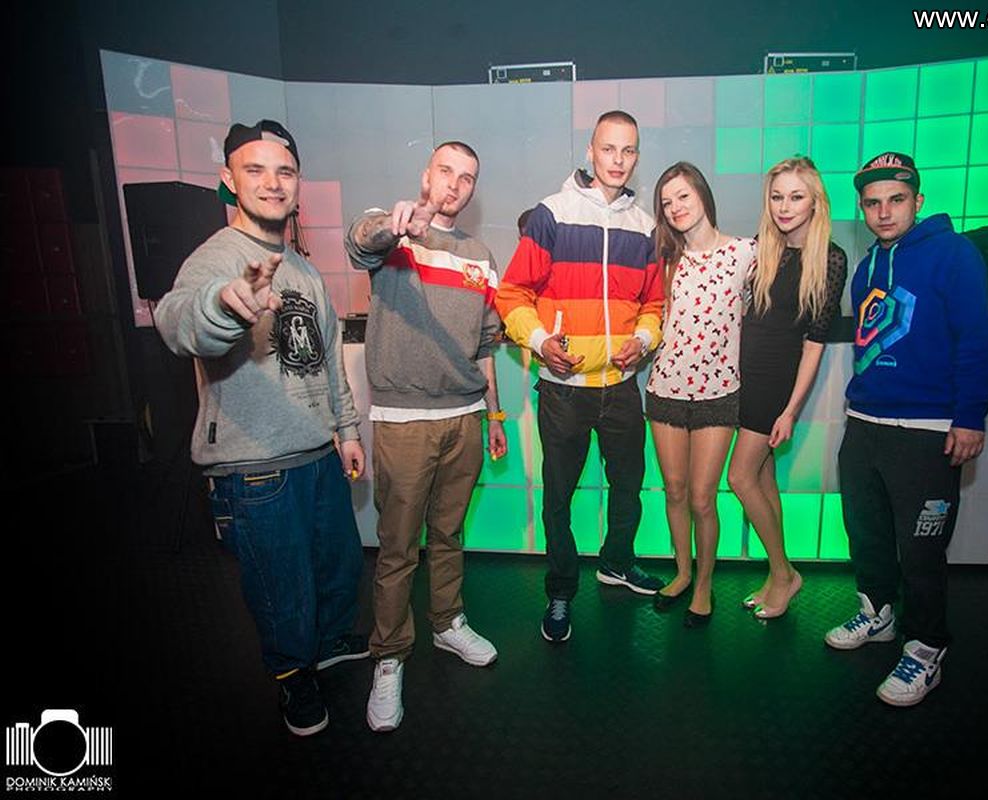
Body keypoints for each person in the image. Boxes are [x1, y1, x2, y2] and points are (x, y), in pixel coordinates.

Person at [154, 119, 367, 737]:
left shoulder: (301, 268)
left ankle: (328, 644)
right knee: (281, 589)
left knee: (337, 567)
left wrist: (346, 430)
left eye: (285, 171)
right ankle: (293, 678)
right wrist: (225, 305)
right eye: (256, 170)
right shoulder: (216, 259)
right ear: (229, 179)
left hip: (316, 451)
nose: (273, 183)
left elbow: (326, 360)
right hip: (255, 467)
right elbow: (178, 321)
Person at [825, 152, 988, 707]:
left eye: (896, 200)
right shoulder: (867, 267)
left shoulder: (955, 255)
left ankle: (926, 647)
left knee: (922, 551)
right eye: (872, 203)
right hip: (865, 424)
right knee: (867, 532)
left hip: (928, 430)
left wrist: (970, 416)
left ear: (917, 201)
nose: (884, 212)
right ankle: (877, 614)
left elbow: (977, 341)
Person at [345, 141, 506, 733]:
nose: (455, 184)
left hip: (465, 417)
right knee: (397, 549)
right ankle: (388, 656)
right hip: (404, 422)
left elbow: (486, 344)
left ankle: (447, 622)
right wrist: (393, 225)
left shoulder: (480, 255)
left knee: (448, 534)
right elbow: (361, 240)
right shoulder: (394, 234)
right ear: (426, 175)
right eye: (446, 172)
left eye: (467, 177)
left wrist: (494, 415)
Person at [495, 110, 665, 643]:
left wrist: (644, 340)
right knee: (559, 498)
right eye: (608, 149)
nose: (618, 160)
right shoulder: (553, 213)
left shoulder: (646, 227)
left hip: (621, 389)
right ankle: (561, 590)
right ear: (591, 152)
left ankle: (616, 562)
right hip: (564, 392)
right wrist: (540, 341)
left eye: (628, 150)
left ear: (637, 157)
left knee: (628, 488)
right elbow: (512, 294)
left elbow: (654, 304)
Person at [727, 157, 847, 620]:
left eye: (796, 196)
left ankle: (783, 574)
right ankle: (777, 573)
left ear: (816, 202)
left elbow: (814, 345)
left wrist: (791, 411)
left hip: (775, 384)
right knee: (762, 478)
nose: (784, 206)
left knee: (739, 478)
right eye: (777, 196)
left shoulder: (831, 259)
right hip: (743, 376)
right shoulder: (761, 249)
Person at [645, 162, 754, 627]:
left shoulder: (745, 253)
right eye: (667, 203)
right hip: (665, 390)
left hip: (718, 394)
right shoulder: (665, 261)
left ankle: (705, 583)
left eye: (683, 197)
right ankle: (683, 572)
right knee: (673, 490)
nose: (675, 208)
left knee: (703, 498)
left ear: (703, 195)